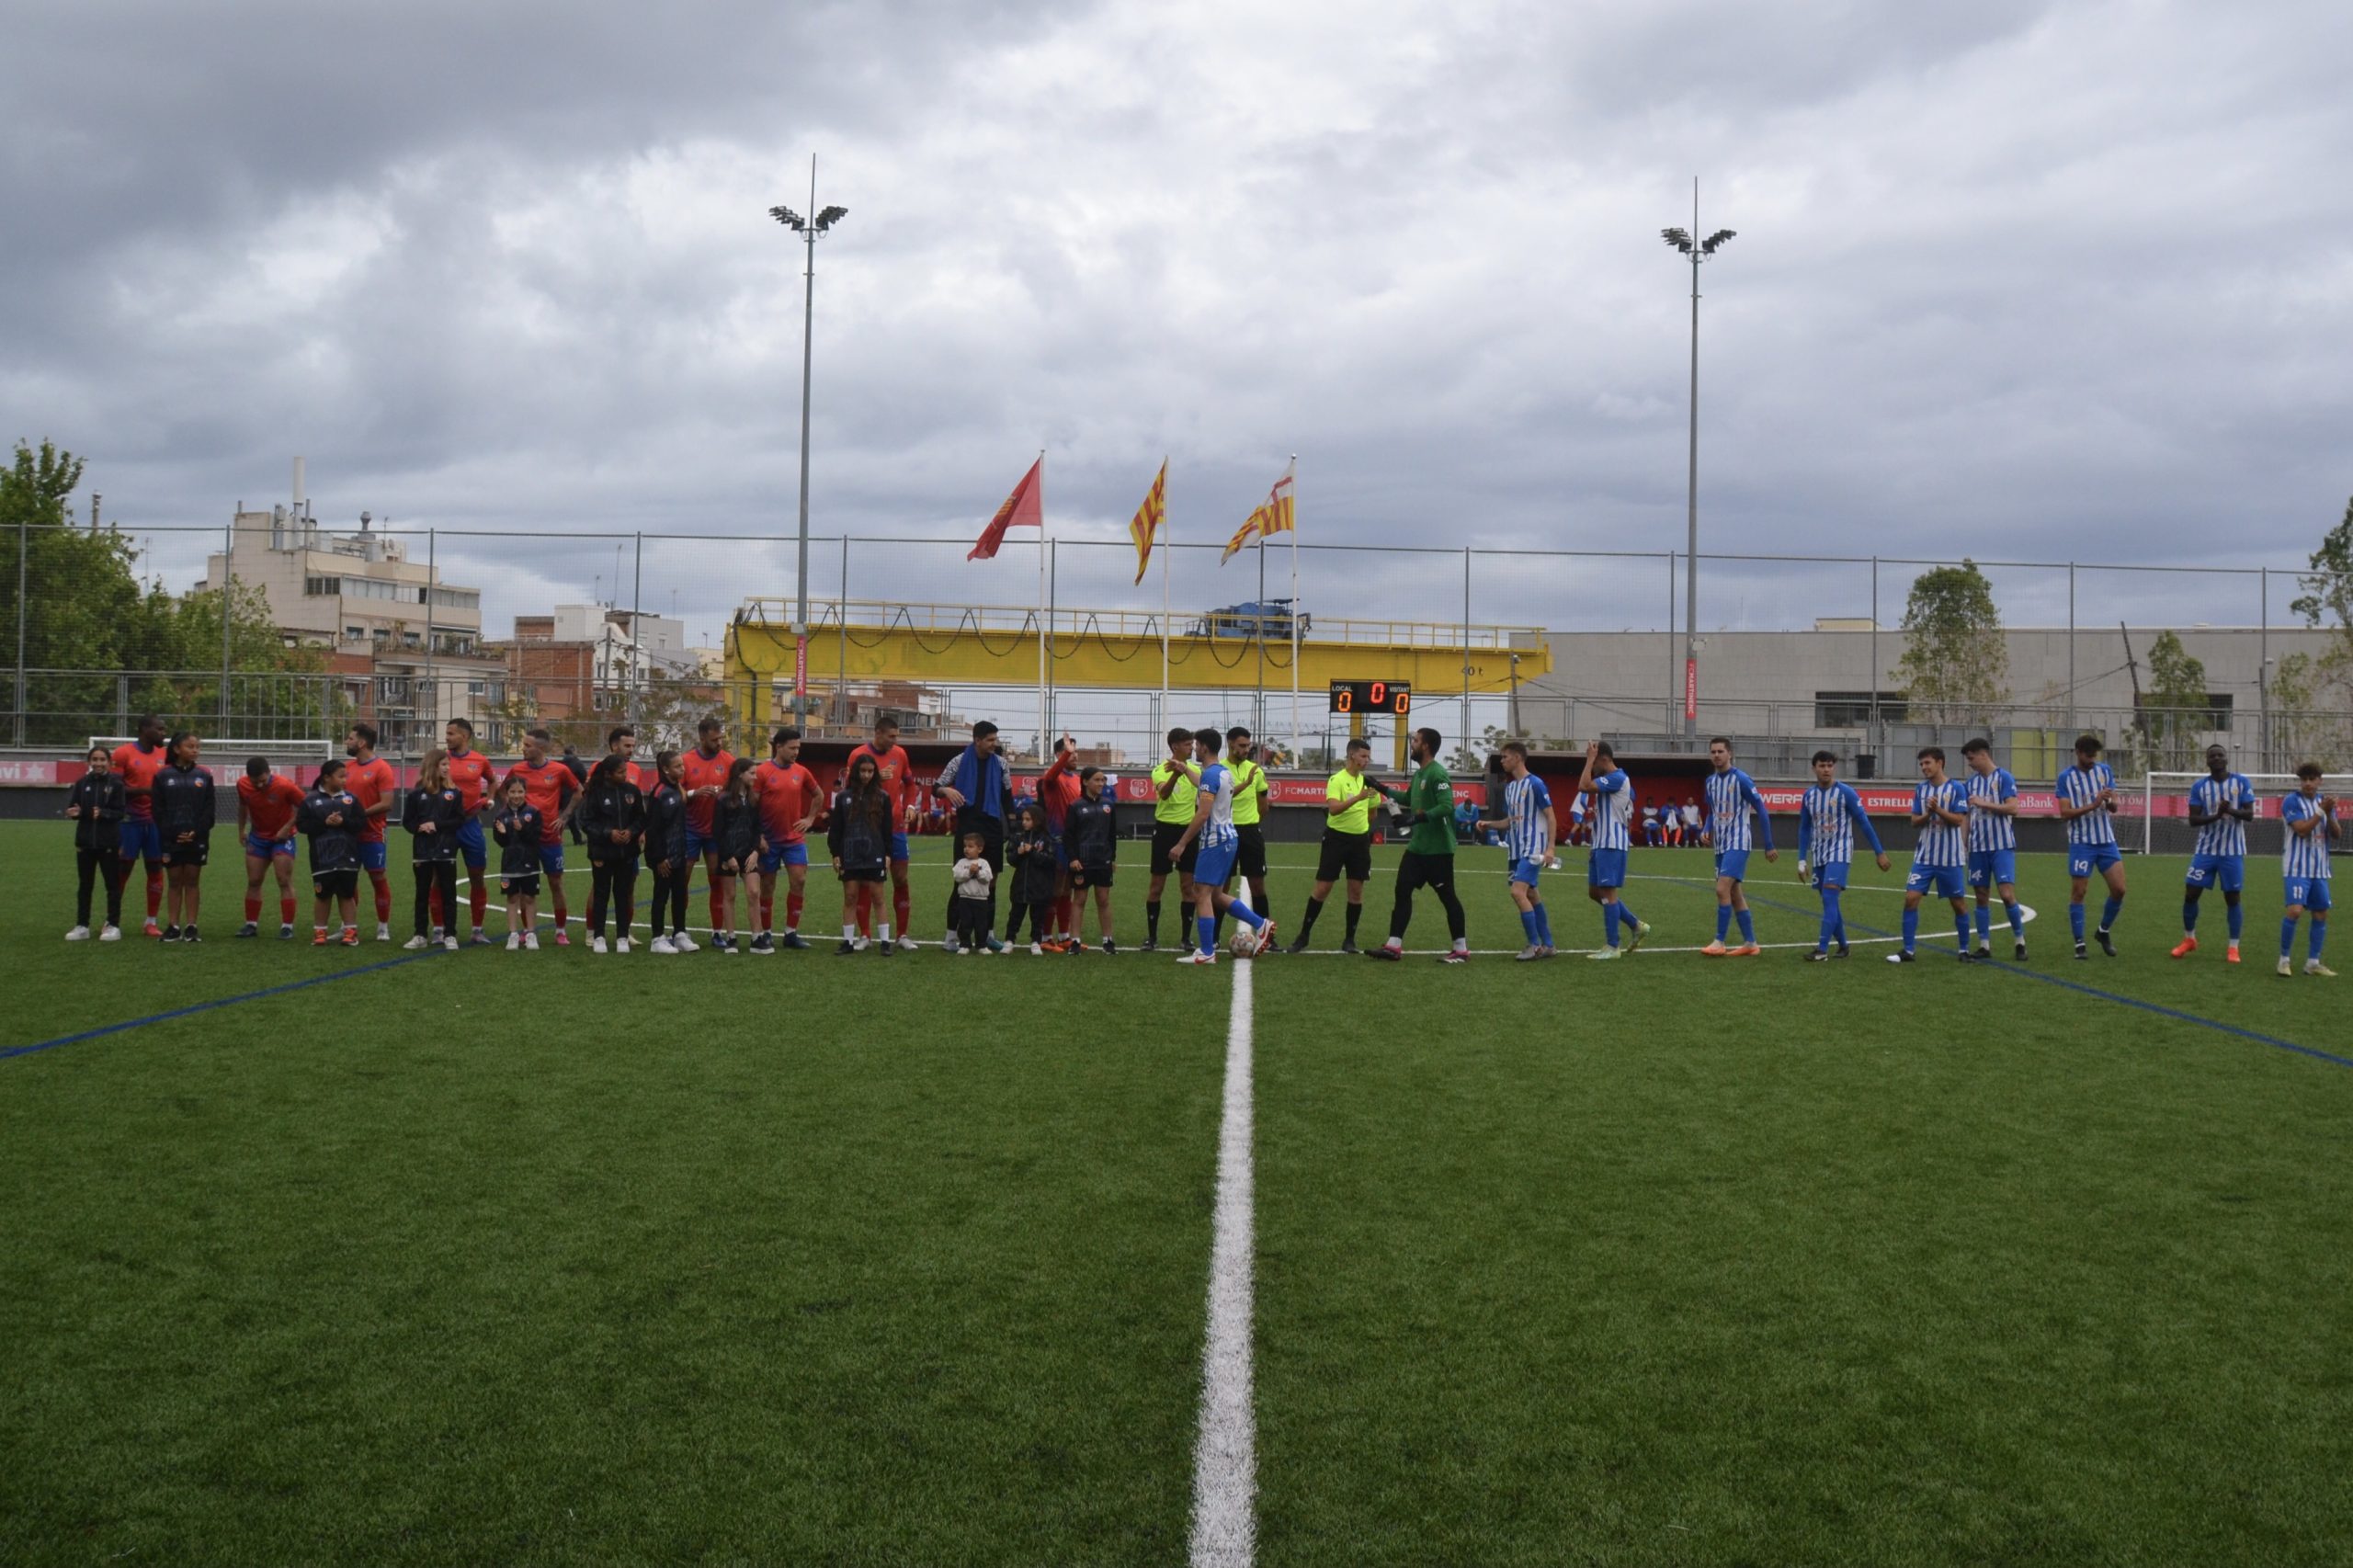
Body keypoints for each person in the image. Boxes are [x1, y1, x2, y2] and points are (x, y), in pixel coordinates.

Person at [1168, 726, 1273, 964]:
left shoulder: (1212, 775)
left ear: (1204, 747)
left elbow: (1203, 813)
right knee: (1216, 894)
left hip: (1214, 840)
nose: (1194, 748)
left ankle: (1206, 952)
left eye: (1196, 745)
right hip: (1229, 838)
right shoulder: (1222, 772)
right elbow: (1204, 783)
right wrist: (1184, 768)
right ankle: (1261, 923)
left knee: (1201, 893)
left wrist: (1182, 844)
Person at [1367, 726, 1466, 963]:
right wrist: (1379, 787)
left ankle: (1461, 949)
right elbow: (1408, 798)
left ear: (1426, 746)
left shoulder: (1437, 773)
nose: (1411, 743)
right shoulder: (1420, 774)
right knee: (1402, 890)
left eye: (1415, 740)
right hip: (1417, 848)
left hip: (1438, 850)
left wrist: (1413, 819)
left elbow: (1446, 806)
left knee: (1448, 897)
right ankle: (1393, 946)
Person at [1796, 750, 1889, 960]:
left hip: (1840, 849)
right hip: (1819, 852)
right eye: (1822, 766)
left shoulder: (1846, 793)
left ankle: (1821, 950)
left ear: (1834, 768)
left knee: (1829, 896)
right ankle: (1844, 946)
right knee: (1829, 902)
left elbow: (1864, 823)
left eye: (1830, 766)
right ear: (1814, 768)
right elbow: (1804, 828)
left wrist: (1879, 852)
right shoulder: (1809, 796)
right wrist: (1802, 860)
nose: (1826, 770)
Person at [1289, 737, 1379, 953]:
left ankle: (1349, 940)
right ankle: (1304, 935)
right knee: (1322, 888)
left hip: (1359, 841)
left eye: (1368, 756)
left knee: (1356, 891)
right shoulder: (1337, 779)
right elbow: (1334, 809)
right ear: (1352, 756)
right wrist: (1358, 798)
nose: (1367, 760)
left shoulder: (1368, 782)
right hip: (1336, 839)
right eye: (1363, 756)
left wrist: (1361, 828)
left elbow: (1373, 812)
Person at [1891, 746, 1974, 964]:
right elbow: (1914, 821)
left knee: (1958, 904)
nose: (1924, 768)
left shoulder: (1957, 788)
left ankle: (1964, 950)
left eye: (1927, 763)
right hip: (1925, 857)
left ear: (1940, 763)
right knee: (1910, 899)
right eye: (1921, 764)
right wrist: (1928, 813)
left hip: (1951, 858)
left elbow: (1958, 820)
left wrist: (1938, 810)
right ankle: (1908, 950)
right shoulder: (1921, 789)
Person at [845, 716, 921, 951]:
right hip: (866, 828)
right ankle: (865, 935)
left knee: (901, 877)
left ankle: (902, 935)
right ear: (878, 733)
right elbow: (848, 788)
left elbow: (910, 784)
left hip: (895, 827)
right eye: (892, 736)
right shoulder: (857, 755)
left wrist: (910, 806)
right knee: (867, 881)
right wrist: (877, 777)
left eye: (897, 736)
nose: (895, 741)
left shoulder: (900, 754)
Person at [2173, 743, 2255, 964]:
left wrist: (2228, 810)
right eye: (2212, 756)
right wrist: (2217, 815)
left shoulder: (2241, 782)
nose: (2217, 758)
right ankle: (2189, 939)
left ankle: (2233, 947)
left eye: (2220, 755)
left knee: (2232, 897)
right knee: (2191, 893)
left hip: (2232, 851)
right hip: (2206, 850)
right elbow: (2193, 819)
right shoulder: (2199, 787)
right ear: (2207, 761)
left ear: (2226, 759)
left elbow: (2249, 815)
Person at [936, 721, 1013, 953]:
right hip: (967, 825)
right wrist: (946, 790)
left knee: (990, 882)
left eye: (995, 739)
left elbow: (1008, 797)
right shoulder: (958, 761)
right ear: (977, 740)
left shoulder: (1000, 764)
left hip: (992, 826)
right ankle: (951, 937)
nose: (994, 744)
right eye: (990, 740)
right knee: (960, 881)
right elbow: (937, 786)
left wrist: (1014, 826)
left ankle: (987, 935)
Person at [1476, 741, 1556, 960]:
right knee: (1531, 894)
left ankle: (1534, 945)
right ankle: (1548, 945)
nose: (1502, 761)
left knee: (1517, 892)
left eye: (1505, 757)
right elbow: (1511, 821)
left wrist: (1550, 848)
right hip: (1515, 850)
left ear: (1518, 758)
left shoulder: (1536, 784)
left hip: (1533, 849)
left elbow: (1550, 816)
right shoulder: (1510, 788)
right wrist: (1489, 824)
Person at [1699, 736, 1777, 958]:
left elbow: (1760, 809)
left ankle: (1719, 941)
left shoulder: (1741, 779)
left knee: (1721, 889)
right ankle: (1751, 943)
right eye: (1713, 752)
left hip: (1739, 842)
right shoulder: (1710, 782)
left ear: (1729, 753)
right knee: (1734, 893)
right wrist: (1707, 828)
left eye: (1720, 751)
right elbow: (1712, 811)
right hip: (1721, 845)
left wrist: (1769, 844)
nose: (1716, 755)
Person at [1574, 740, 1651, 960]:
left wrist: (1589, 760)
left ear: (1603, 759)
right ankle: (1636, 925)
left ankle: (1612, 946)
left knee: (1608, 893)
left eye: (1594, 761)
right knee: (1595, 892)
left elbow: (1583, 786)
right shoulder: (1607, 780)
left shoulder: (1618, 778)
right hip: (1601, 843)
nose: (1592, 766)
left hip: (1612, 843)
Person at [502, 729, 580, 945]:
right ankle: (527, 931)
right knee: (524, 885)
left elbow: (578, 791)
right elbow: (503, 790)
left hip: (549, 836)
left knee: (555, 882)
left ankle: (560, 930)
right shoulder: (517, 769)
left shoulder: (559, 770)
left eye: (527, 746)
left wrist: (564, 816)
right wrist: (510, 815)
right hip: (524, 839)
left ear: (542, 748)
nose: (523, 749)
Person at [2055, 733, 2127, 959]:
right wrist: (2093, 803)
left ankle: (2103, 931)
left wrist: (2109, 802)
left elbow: (2114, 807)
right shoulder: (2066, 778)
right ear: (2077, 752)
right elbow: (2065, 813)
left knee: (2119, 889)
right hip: (2081, 843)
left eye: (2094, 755)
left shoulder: (2104, 771)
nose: (2092, 759)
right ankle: (2079, 944)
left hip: (2106, 841)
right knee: (2079, 892)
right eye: (2088, 755)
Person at [752, 726, 823, 952]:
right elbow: (751, 807)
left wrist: (810, 819)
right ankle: (766, 933)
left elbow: (818, 794)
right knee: (767, 886)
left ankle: (791, 933)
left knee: (799, 881)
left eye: (798, 748)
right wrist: (758, 835)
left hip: (794, 839)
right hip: (768, 841)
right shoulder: (762, 772)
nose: (796, 752)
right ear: (778, 747)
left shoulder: (801, 771)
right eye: (792, 748)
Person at [1960, 737, 2029, 961]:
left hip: (2002, 846)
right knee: (1981, 896)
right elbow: (1966, 817)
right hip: (1978, 849)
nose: (1970, 763)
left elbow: (2013, 808)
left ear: (1983, 755)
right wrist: (1963, 843)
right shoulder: (1970, 783)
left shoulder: (2004, 777)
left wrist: (1984, 803)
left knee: (2007, 895)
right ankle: (1984, 946)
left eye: (1971, 758)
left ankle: (2020, 942)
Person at [578, 751, 648, 954]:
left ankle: (622, 936)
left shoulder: (632, 792)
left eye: (625, 771)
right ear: (608, 774)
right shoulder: (595, 793)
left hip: (627, 853)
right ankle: (599, 936)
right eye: (620, 772)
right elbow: (586, 822)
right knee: (601, 893)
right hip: (601, 852)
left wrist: (631, 832)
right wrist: (609, 833)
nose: (624, 775)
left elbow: (641, 818)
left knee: (623, 893)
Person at [440, 718, 501, 943]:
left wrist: (490, 799)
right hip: (445, 827)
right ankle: (439, 929)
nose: (446, 737)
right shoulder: (440, 759)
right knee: (440, 877)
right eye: (446, 733)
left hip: (470, 825)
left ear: (464, 736)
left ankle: (477, 929)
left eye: (451, 733)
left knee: (477, 875)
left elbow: (493, 781)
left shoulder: (479, 760)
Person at [828, 752, 895, 955]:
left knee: (878, 897)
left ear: (874, 773)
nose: (866, 775)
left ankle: (885, 942)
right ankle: (847, 942)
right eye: (863, 771)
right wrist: (835, 853)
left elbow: (887, 829)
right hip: (850, 853)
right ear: (856, 772)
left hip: (875, 852)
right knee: (850, 896)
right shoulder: (843, 797)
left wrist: (888, 853)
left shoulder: (882, 797)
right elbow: (836, 828)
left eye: (870, 771)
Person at [679, 716, 738, 943]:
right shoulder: (685, 761)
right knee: (682, 879)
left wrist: (724, 795)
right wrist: (695, 793)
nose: (719, 743)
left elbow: (735, 794)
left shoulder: (729, 761)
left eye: (721, 738)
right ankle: (680, 929)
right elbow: (676, 795)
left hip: (716, 831)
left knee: (717, 879)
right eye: (714, 740)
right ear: (702, 737)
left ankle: (717, 932)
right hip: (690, 829)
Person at [1142, 726, 1200, 951]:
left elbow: (1200, 784)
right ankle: (1152, 937)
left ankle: (1186, 938)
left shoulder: (1195, 769)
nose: (1192, 748)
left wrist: (1184, 770)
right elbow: (1164, 793)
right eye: (1188, 744)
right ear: (1175, 746)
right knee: (1157, 886)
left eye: (1193, 744)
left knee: (1188, 887)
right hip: (1165, 831)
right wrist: (1176, 772)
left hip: (1188, 831)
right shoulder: (1160, 770)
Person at [400, 749, 465, 950]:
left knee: (448, 893)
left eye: (448, 765)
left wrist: (436, 825)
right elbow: (407, 821)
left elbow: (459, 819)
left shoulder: (454, 793)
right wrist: (419, 827)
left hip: (446, 849)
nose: (447, 768)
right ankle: (420, 934)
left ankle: (450, 935)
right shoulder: (416, 795)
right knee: (422, 893)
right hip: (422, 850)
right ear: (432, 766)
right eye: (443, 764)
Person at [112, 712, 170, 937]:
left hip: (155, 821)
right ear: (144, 729)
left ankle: (151, 922)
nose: (163, 733)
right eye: (159, 729)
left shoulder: (164, 755)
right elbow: (115, 789)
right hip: (129, 821)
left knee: (155, 868)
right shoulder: (123, 753)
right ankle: (113, 920)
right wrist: (146, 791)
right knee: (122, 869)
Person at [153, 732, 215, 942]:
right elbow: (158, 810)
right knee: (174, 882)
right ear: (177, 749)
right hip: (171, 839)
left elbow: (209, 811)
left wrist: (196, 832)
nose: (195, 750)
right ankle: (172, 926)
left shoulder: (205, 775)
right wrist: (173, 833)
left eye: (197, 747)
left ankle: (191, 925)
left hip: (196, 839)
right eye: (190, 746)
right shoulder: (162, 776)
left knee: (192, 880)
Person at [2279, 762, 2336, 978]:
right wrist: (2322, 811)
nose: (2308, 783)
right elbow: (2301, 830)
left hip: (2319, 869)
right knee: (2295, 911)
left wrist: (2329, 814)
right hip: (2296, 867)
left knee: (2321, 913)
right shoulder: (2292, 801)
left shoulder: (2326, 803)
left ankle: (2313, 963)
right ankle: (2284, 960)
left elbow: (2337, 834)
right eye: (2304, 779)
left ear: (2320, 780)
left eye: (2312, 779)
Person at [234, 756, 304, 938]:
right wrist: (241, 829)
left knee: (283, 880)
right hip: (258, 838)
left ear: (269, 772)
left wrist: (287, 827)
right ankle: (251, 925)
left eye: (262, 781)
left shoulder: (285, 785)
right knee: (254, 880)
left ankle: (287, 926)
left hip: (283, 838)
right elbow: (243, 806)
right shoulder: (242, 785)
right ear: (248, 777)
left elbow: (304, 806)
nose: (258, 785)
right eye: (254, 781)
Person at [64, 744, 128, 940]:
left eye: (102, 760)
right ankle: (82, 925)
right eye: (95, 759)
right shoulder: (82, 783)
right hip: (84, 843)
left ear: (109, 762)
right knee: (85, 885)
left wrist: (104, 813)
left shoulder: (116, 784)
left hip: (108, 842)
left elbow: (120, 813)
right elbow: (74, 808)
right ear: (89, 762)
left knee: (112, 885)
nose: (98, 763)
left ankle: (113, 925)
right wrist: (73, 813)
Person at [343, 722, 399, 941]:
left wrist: (359, 815)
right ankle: (348, 925)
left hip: (373, 833)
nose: (347, 742)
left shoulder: (382, 768)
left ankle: (383, 926)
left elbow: (387, 803)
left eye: (350, 738)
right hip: (348, 835)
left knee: (377, 877)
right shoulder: (346, 768)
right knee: (348, 879)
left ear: (362, 742)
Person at [300, 757, 364, 947]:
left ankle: (350, 932)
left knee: (346, 894)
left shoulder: (351, 799)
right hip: (322, 857)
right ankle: (320, 932)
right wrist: (323, 823)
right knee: (322, 895)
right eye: (341, 776)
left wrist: (343, 822)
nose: (345, 780)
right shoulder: (310, 800)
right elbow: (302, 825)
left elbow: (360, 824)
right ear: (326, 778)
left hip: (347, 856)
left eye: (346, 776)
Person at [1034, 736, 1085, 950]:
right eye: (1069, 753)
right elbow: (1052, 774)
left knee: (1067, 890)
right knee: (1055, 889)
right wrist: (1065, 755)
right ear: (1059, 755)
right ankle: (1045, 937)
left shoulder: (1076, 779)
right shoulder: (1052, 778)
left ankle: (1064, 935)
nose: (1074, 756)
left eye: (1075, 752)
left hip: (1074, 840)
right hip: (1057, 839)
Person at [710, 757, 762, 953]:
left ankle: (757, 937)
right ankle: (731, 938)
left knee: (754, 892)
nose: (755, 777)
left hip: (749, 853)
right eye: (752, 773)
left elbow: (758, 828)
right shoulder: (723, 799)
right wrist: (727, 856)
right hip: (728, 854)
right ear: (740, 774)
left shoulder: (754, 799)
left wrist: (756, 851)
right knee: (729, 895)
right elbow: (718, 831)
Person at [643, 750, 694, 954]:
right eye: (677, 766)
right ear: (665, 769)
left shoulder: (676, 789)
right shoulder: (659, 793)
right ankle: (657, 938)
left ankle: (680, 934)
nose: (682, 769)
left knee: (680, 894)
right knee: (661, 896)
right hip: (664, 857)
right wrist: (659, 858)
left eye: (682, 765)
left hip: (679, 853)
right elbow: (653, 829)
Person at [1064, 765, 1119, 951]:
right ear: (1086, 781)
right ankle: (1075, 941)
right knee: (1079, 900)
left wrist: (1112, 858)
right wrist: (1073, 858)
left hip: (1102, 860)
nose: (1101, 783)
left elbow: (1112, 835)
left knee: (1104, 900)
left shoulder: (1108, 805)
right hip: (1082, 862)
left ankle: (1108, 940)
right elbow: (1068, 835)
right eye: (1097, 779)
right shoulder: (1075, 806)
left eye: (1103, 779)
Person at [491, 777, 545, 950]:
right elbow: (501, 843)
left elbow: (536, 838)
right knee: (512, 897)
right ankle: (513, 934)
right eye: (513, 792)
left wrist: (523, 830)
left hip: (530, 862)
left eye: (520, 791)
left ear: (525, 792)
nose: (516, 795)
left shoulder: (534, 812)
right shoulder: (501, 815)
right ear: (507, 793)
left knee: (529, 897)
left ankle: (531, 933)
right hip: (509, 863)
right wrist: (502, 833)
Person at [1006, 801, 1063, 954]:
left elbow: (1050, 860)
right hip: (1020, 885)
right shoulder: (1018, 837)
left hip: (1040, 885)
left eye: (1028, 819)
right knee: (1015, 914)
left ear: (1037, 820)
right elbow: (1011, 859)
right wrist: (1018, 853)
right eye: (1023, 819)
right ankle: (1009, 940)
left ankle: (1036, 942)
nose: (1024, 822)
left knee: (1037, 916)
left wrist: (1032, 852)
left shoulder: (1046, 839)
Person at [950, 832, 998, 954]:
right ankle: (964, 944)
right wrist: (969, 873)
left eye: (970, 846)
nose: (967, 849)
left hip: (981, 900)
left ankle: (981, 945)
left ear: (980, 849)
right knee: (965, 923)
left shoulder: (984, 863)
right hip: (965, 899)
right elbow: (957, 876)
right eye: (965, 846)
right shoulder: (961, 862)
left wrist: (978, 872)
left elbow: (988, 877)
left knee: (981, 923)